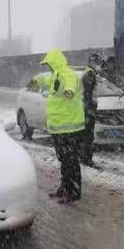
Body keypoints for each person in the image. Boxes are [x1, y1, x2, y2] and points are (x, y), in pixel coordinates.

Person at [39, 49, 85, 202]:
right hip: (59, 127)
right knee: (64, 159)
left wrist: (69, 91)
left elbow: (71, 83)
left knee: (70, 160)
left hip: (70, 126)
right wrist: (36, 82)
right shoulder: (54, 76)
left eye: (49, 64)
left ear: (56, 62)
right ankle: (65, 188)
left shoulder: (67, 73)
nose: (48, 67)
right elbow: (43, 80)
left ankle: (73, 192)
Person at [81, 53, 103, 168]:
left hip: (87, 109)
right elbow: (87, 93)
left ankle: (84, 157)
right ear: (92, 63)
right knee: (88, 136)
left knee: (86, 135)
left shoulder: (89, 73)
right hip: (88, 109)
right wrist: (90, 109)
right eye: (97, 63)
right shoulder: (89, 74)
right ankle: (86, 159)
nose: (99, 66)